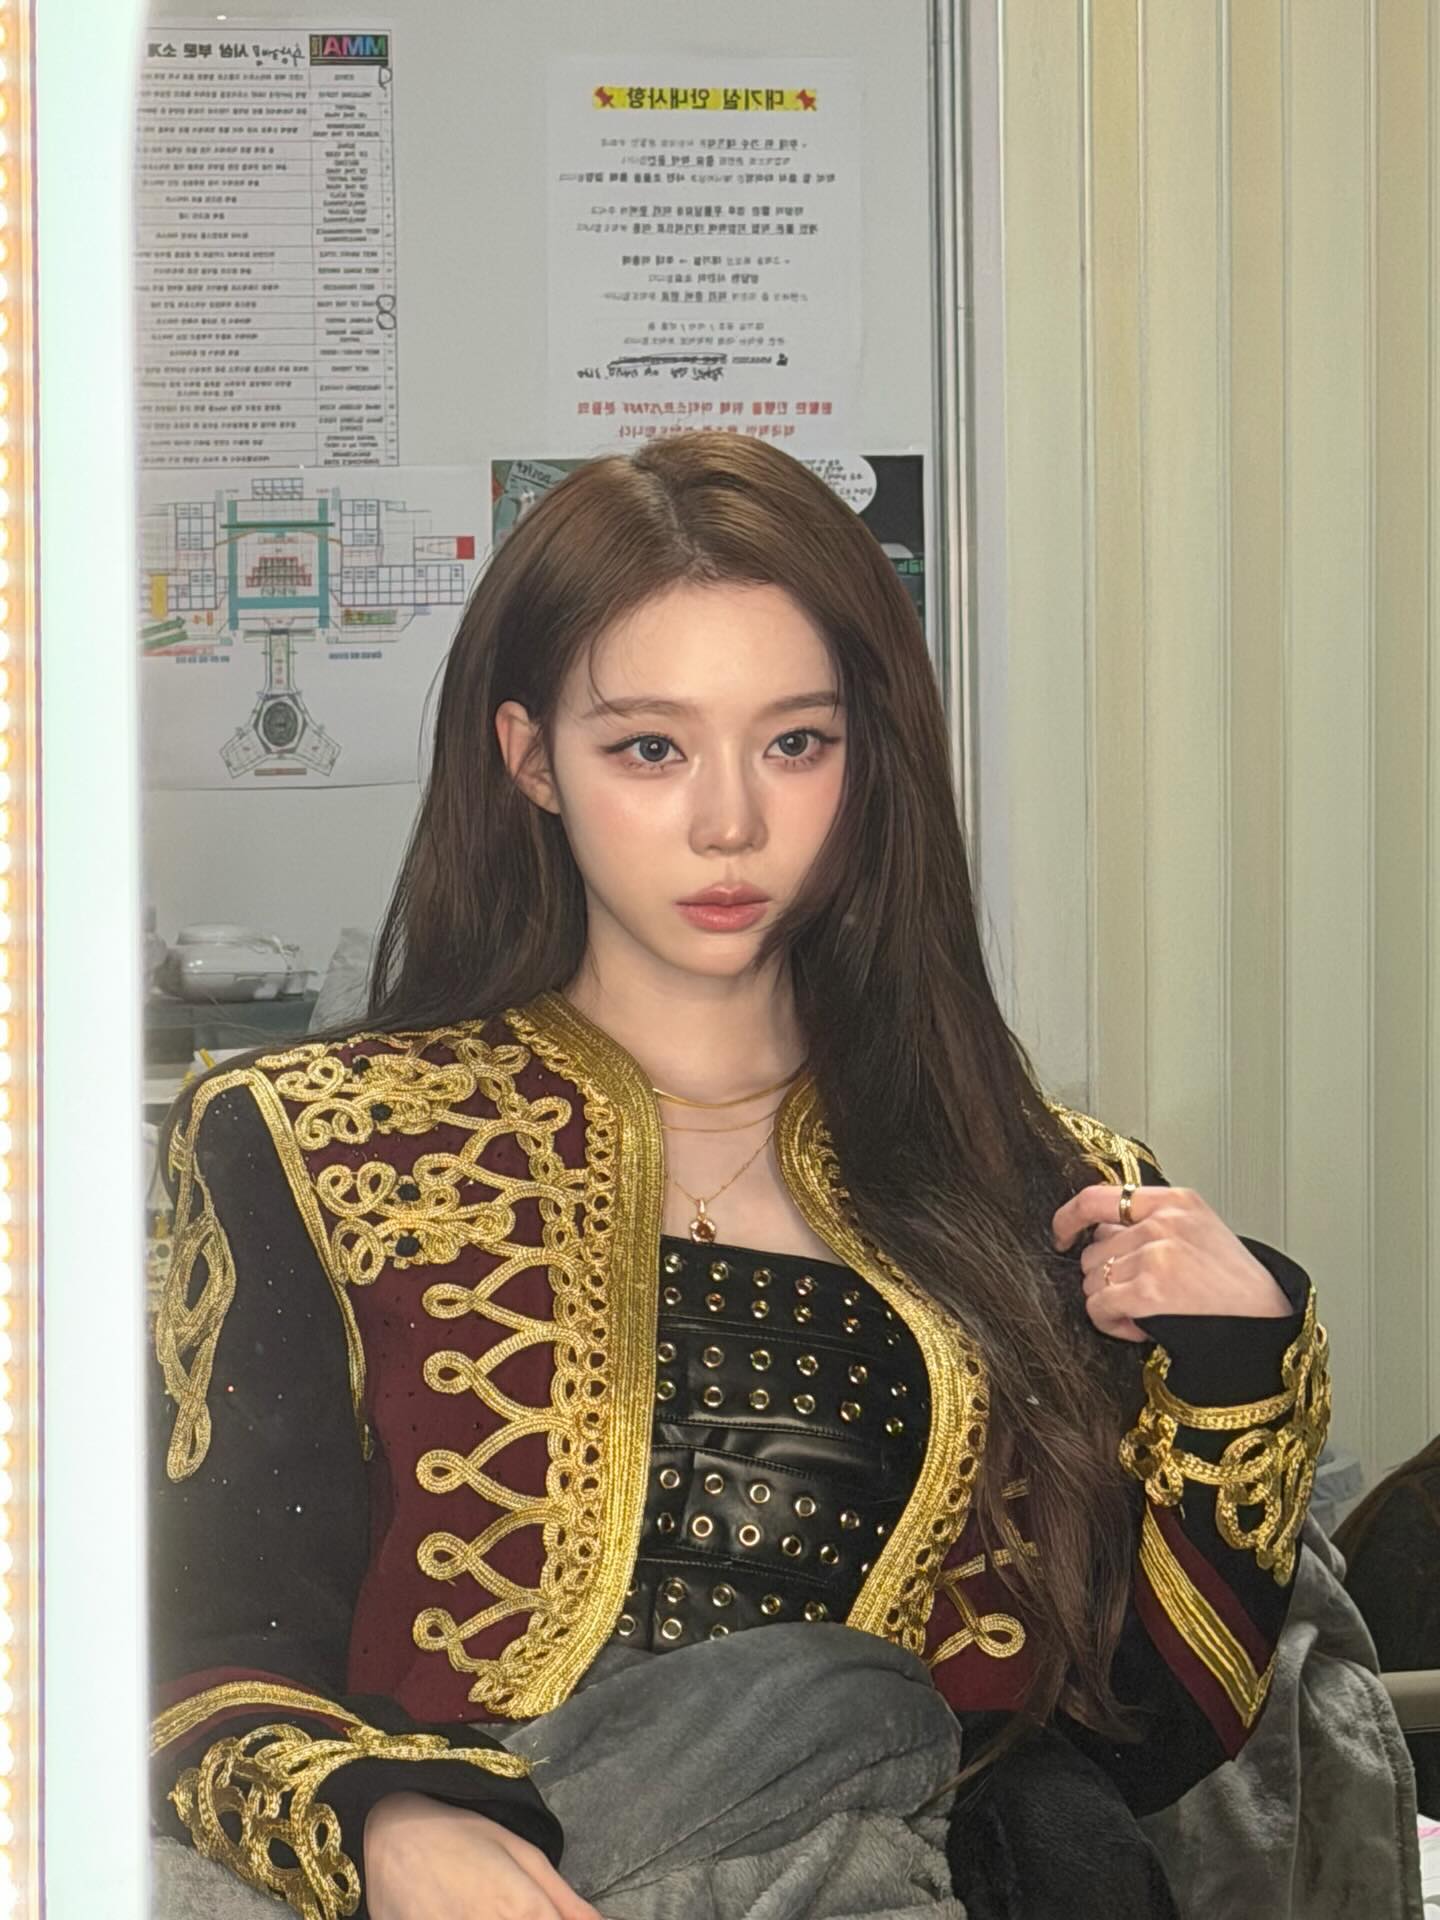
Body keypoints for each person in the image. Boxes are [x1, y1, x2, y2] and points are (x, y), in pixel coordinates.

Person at [148, 430, 1331, 1920]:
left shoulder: (1041, 1187)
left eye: (796, 744)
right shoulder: (311, 1139)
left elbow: (1137, 1740)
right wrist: (380, 1821)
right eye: (651, 747)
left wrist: (1237, 1374)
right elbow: (201, 1648)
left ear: (868, 756)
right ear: (529, 757)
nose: (731, 823)